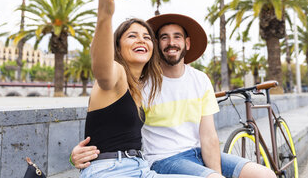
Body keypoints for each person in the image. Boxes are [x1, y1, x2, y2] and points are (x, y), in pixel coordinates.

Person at [72, 11, 276, 177]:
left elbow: (209, 136)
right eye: (164, 37)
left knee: (265, 175)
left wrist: (215, 173)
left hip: (196, 154)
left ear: (186, 43)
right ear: (158, 45)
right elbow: (110, 115)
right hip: (163, 159)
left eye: (177, 37)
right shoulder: (137, 82)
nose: (171, 43)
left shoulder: (200, 79)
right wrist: (76, 154)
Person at [80, 0, 198, 178]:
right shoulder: (116, 74)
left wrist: (74, 156)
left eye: (146, 36)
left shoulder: (143, 86)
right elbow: (101, 68)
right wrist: (105, 11)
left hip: (141, 168)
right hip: (111, 171)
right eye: (132, 36)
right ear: (117, 47)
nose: (141, 39)